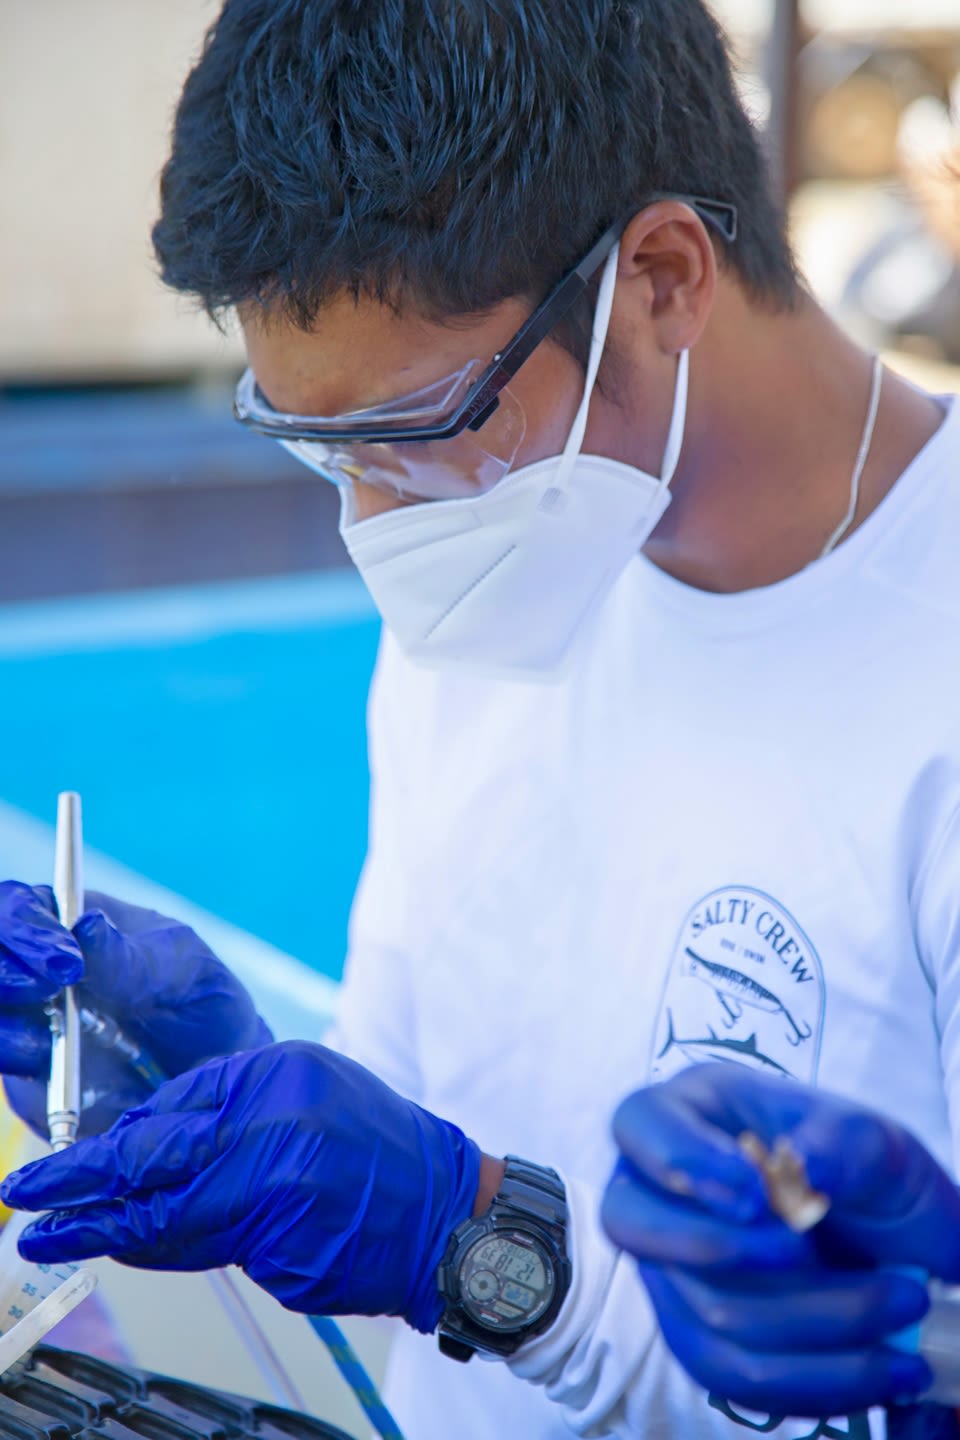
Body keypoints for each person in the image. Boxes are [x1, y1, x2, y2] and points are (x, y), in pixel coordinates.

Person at [0, 1, 958, 1436]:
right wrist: (235, 1097)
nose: (374, 526)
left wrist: (488, 1255)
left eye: (415, 432)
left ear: (660, 278)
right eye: (317, 445)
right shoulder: (503, 581)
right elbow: (434, 1141)